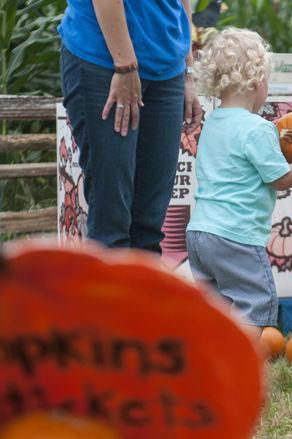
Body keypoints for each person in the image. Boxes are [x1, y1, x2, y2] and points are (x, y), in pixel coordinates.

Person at [186, 28, 292, 331]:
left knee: (215, 310)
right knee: (255, 304)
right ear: (256, 82)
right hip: (236, 236)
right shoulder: (258, 129)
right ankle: (234, 369)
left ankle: (208, 369)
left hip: (200, 233)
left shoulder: (213, 122)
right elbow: (280, 179)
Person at [59, 0, 202, 253]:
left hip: (167, 67)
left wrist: (187, 69)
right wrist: (124, 66)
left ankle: (141, 292)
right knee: (111, 219)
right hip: (103, 61)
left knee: (150, 222)